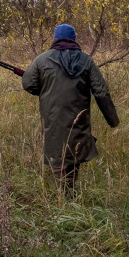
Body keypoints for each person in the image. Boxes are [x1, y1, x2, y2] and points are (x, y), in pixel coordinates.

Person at [22, 24, 119, 189]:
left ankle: (64, 196)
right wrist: (113, 120)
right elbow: (101, 92)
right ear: (74, 39)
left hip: (52, 118)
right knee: (75, 151)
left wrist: (46, 90)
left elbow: (28, 84)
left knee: (58, 153)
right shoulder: (86, 60)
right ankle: (68, 192)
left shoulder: (41, 60)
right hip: (79, 118)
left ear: (55, 38)